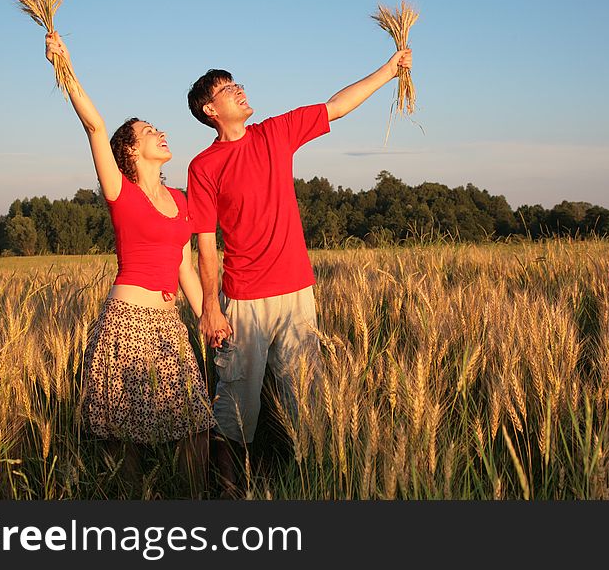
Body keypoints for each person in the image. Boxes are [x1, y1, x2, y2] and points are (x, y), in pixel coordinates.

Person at [186, 48, 413, 492]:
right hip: (245, 301)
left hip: (296, 293)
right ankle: (229, 492)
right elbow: (206, 246)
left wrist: (389, 71)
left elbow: (336, 106)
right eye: (227, 89)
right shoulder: (203, 166)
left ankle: (309, 483)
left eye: (238, 83)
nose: (239, 89)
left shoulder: (274, 133)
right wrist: (210, 308)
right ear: (211, 110)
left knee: (306, 399)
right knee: (235, 405)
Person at [44, 32, 215, 496]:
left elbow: (184, 269)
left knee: (195, 424)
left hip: (169, 325)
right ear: (132, 152)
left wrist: (207, 319)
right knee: (126, 439)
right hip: (127, 322)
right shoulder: (121, 193)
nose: (161, 133)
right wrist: (66, 67)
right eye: (148, 132)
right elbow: (96, 128)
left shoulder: (179, 200)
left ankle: (193, 506)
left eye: (157, 128)